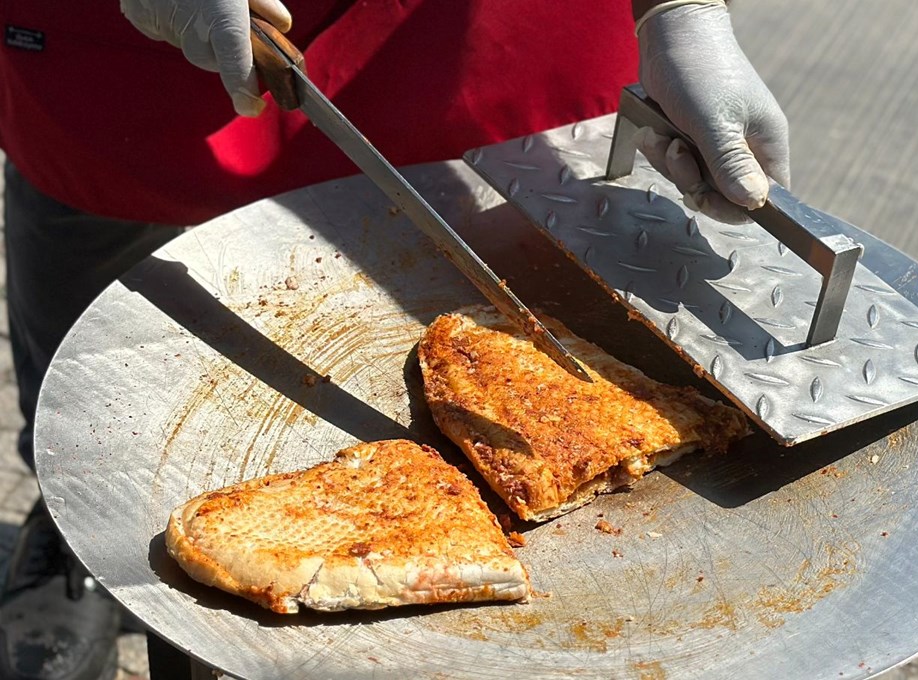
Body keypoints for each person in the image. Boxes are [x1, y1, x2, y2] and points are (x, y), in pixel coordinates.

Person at [0, 0, 788, 677]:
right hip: (128, 74)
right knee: (93, 364)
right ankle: (70, 538)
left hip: (472, 47)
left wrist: (679, 8)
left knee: (523, 270)